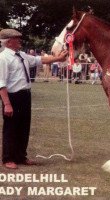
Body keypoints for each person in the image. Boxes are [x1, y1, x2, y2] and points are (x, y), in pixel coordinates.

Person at [0, 28, 68, 169]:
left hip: (25, 95)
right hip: (13, 97)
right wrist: (7, 104)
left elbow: (39, 59)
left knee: (24, 127)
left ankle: (20, 156)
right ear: (8, 42)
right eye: (17, 38)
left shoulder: (22, 55)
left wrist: (58, 58)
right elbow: (1, 84)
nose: (20, 40)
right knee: (11, 128)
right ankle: (8, 158)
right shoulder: (3, 59)